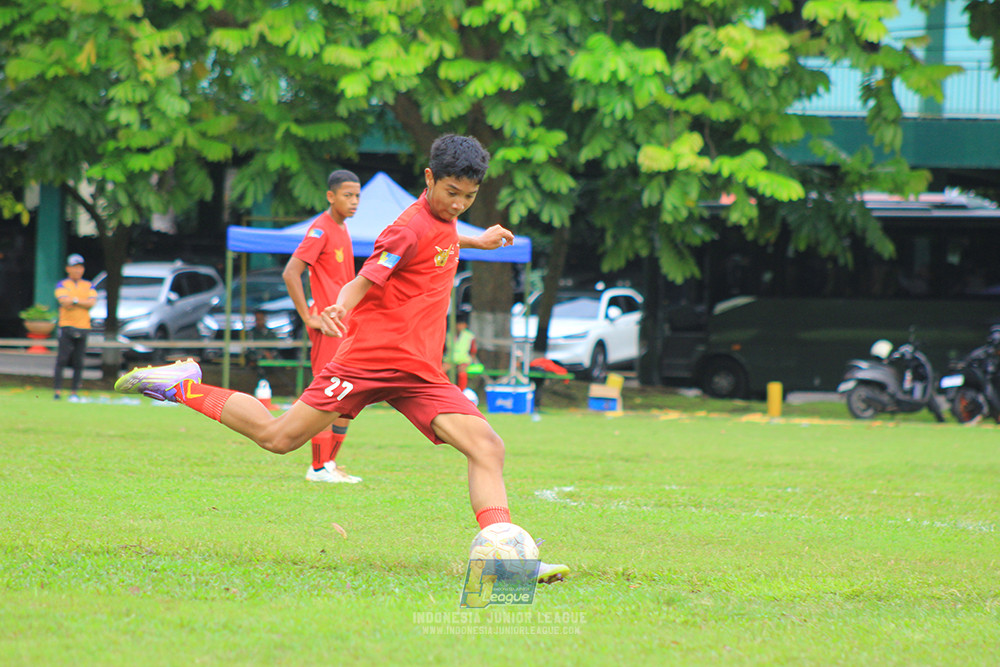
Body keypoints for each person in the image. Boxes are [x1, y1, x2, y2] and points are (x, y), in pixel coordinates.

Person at [115, 134, 568, 583]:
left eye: (469, 197)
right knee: (277, 438)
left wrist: (479, 241)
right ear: (429, 179)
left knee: (487, 446)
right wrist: (341, 306)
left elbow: (441, 241)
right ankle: (184, 385)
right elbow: (367, 277)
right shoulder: (404, 228)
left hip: (419, 374)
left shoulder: (446, 221)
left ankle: (506, 558)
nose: (458, 204)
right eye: (451, 193)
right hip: (368, 362)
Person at [282, 169, 362, 484]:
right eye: (347, 195)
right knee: (328, 396)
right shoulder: (321, 228)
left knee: (346, 396)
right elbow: (291, 272)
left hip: (344, 326)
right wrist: (308, 316)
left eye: (357, 196)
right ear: (331, 196)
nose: (354, 202)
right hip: (328, 327)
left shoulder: (342, 228)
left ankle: (328, 464)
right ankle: (317, 467)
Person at [53, 253, 97, 402]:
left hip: (83, 326)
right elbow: (64, 301)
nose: (77, 270)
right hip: (66, 326)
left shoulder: (88, 285)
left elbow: (91, 303)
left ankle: (74, 392)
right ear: (68, 268)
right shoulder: (62, 284)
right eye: (74, 267)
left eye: (79, 267)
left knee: (79, 361)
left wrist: (75, 300)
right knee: (62, 359)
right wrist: (81, 301)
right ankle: (57, 391)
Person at [443, 312, 478, 391]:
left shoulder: (469, 336)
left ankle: (462, 391)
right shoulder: (449, 335)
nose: (459, 326)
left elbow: (473, 351)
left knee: (462, 372)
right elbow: (444, 349)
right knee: (441, 371)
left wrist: (470, 361)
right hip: (449, 360)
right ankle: (445, 389)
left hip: (463, 361)